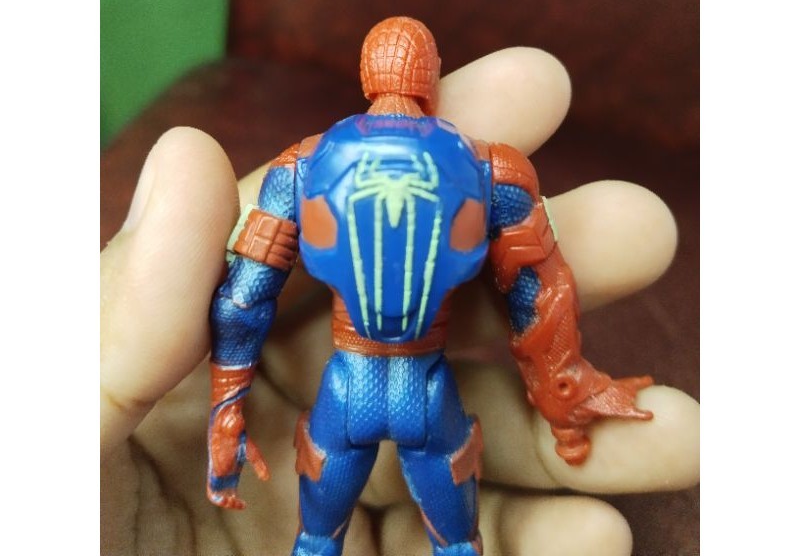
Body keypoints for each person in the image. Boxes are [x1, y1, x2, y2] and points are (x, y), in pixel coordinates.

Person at [100, 36, 699, 556]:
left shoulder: (305, 165)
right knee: (459, 544)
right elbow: (539, 291)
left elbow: (244, 297)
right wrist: (563, 393)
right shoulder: (489, 167)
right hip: (428, 388)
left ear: (368, 77)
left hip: (345, 387)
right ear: (430, 77)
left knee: (313, 542)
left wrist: (227, 405)